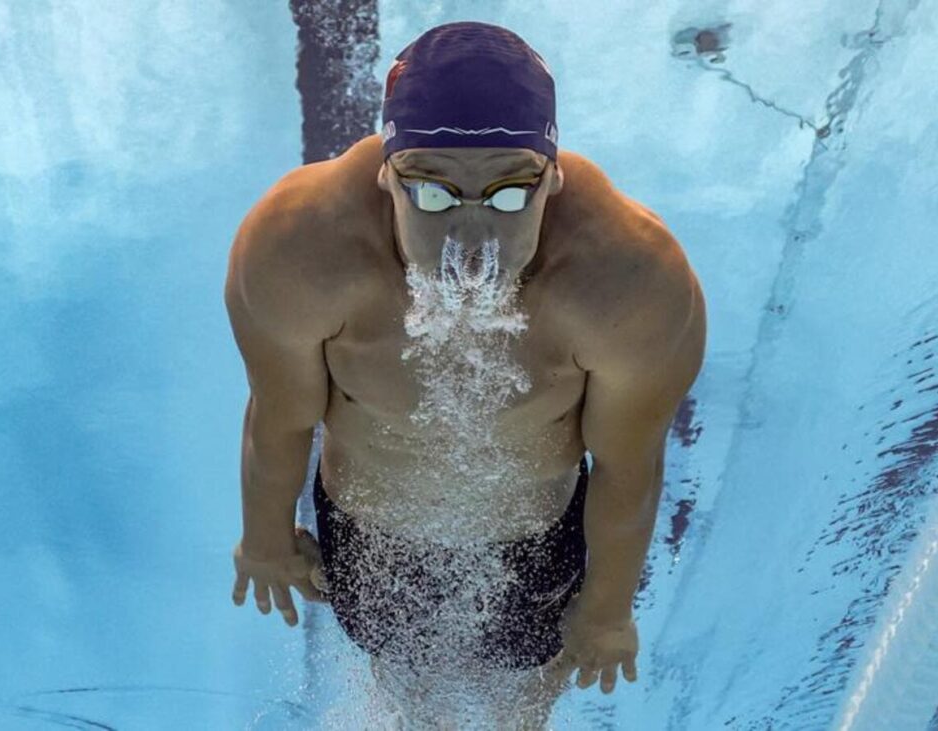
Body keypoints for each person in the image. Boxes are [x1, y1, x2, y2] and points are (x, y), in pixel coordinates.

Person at [225, 20, 707, 728]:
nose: (472, 237)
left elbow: (628, 468)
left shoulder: (629, 282)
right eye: (434, 193)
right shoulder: (300, 247)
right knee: (408, 694)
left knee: (526, 704)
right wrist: (265, 537)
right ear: (388, 173)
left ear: (554, 176)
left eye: (511, 195)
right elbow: (280, 415)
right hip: (369, 535)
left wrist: (604, 613)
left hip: (537, 543)